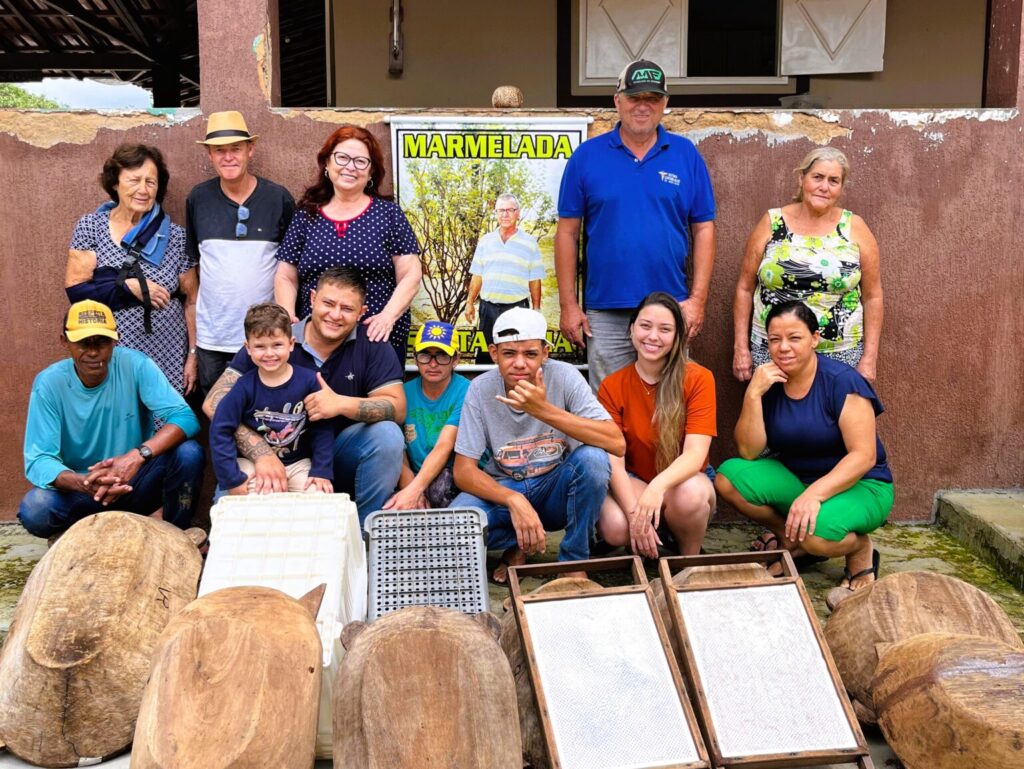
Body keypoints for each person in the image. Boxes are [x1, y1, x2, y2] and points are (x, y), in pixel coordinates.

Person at [715, 301, 893, 609]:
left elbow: (863, 456)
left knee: (817, 535)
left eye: (794, 338)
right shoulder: (769, 382)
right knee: (728, 478)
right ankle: (791, 540)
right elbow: (748, 450)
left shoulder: (842, 382)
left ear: (815, 338)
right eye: (774, 339)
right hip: (798, 480)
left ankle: (859, 548)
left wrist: (815, 495)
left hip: (862, 485)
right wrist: (753, 394)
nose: (783, 347)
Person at [555, 59, 716, 390]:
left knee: (669, 403)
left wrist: (697, 301)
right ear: (617, 100)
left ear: (665, 104)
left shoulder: (686, 155)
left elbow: (703, 229)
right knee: (609, 407)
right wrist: (569, 306)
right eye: (634, 97)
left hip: (670, 305)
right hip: (606, 310)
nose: (643, 106)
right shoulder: (586, 156)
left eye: (652, 99)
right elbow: (567, 233)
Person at [205, 267, 405, 522]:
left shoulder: (372, 344)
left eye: (347, 308)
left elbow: (397, 409)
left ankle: (365, 533)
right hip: (265, 459)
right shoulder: (274, 339)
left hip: (335, 455)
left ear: (361, 313)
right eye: (328, 303)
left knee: (387, 434)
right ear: (312, 299)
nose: (335, 315)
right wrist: (261, 453)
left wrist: (340, 404)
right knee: (232, 508)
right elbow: (214, 404)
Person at [451, 308, 624, 582]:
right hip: (506, 488)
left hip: (555, 488)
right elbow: (463, 471)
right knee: (455, 523)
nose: (520, 363)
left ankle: (573, 562)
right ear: (494, 353)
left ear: (545, 353)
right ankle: (520, 543)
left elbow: (615, 442)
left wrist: (542, 410)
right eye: (509, 354)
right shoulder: (481, 388)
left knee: (593, 459)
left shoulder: (565, 377)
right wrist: (514, 500)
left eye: (530, 354)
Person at [18, 301, 203, 539]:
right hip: (83, 490)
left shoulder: (136, 365)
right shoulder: (49, 383)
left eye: (102, 341)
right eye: (83, 342)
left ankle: (177, 535)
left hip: (135, 483)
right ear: (65, 341)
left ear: (116, 339)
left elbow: (185, 418)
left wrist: (137, 456)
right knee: (36, 509)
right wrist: (84, 482)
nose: (93, 352)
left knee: (189, 453)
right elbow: (39, 460)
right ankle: (79, 534)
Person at [732, 146, 882, 383]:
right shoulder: (772, 222)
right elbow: (744, 288)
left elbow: (873, 296)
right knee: (776, 418)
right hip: (775, 352)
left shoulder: (855, 227)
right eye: (817, 177)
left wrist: (870, 358)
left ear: (841, 187)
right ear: (802, 179)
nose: (824, 187)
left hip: (839, 353)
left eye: (834, 181)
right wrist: (741, 348)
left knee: (837, 418)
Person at [274, 125, 422, 364]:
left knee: (376, 401)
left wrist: (387, 317)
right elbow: (286, 276)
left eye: (361, 161)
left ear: (371, 171)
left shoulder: (388, 214)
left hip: (375, 339)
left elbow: (411, 275)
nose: (350, 167)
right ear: (327, 164)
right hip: (314, 342)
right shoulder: (306, 215)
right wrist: (287, 317)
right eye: (342, 157)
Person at [65, 143, 198, 394]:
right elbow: (77, 291)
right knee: (117, 421)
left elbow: (192, 301)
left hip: (167, 350)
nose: (143, 189)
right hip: (111, 348)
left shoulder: (176, 237)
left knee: (162, 421)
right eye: (134, 180)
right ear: (115, 182)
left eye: (151, 182)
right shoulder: (91, 227)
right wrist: (129, 286)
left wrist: (192, 356)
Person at [597, 292, 716, 558]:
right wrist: (634, 515)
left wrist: (657, 488)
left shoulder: (698, 378)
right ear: (631, 329)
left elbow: (696, 454)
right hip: (635, 480)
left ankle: (689, 561)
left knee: (691, 494)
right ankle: (650, 544)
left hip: (683, 482)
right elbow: (614, 459)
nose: (653, 336)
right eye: (645, 326)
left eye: (665, 329)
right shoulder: (612, 386)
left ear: (677, 337)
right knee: (616, 528)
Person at [186, 110, 295, 395]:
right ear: (209, 155)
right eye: (219, 150)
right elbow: (194, 269)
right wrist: (195, 347)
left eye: (236, 148)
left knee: (264, 413)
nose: (228, 157)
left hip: (265, 339)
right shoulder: (198, 198)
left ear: (250, 149)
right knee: (218, 414)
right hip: (214, 338)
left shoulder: (278, 198)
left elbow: (291, 267)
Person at [210, 303, 334, 495]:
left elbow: (323, 427)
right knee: (253, 496)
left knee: (319, 496)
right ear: (248, 348)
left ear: (291, 343)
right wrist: (232, 479)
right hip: (254, 463)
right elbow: (220, 429)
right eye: (260, 346)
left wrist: (322, 470)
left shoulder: (309, 380)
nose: (269, 353)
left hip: (298, 464)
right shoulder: (243, 387)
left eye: (277, 345)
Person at [384, 320, 470, 510]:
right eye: (425, 355)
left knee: (440, 492)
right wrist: (411, 489)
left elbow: (444, 445)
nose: (432, 364)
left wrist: (415, 490)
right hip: (414, 476)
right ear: (415, 358)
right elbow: (399, 449)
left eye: (442, 355)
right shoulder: (403, 393)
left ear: (456, 359)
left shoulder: (466, 391)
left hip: (451, 474)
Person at [464, 193, 545, 364]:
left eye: (510, 210)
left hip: (517, 308)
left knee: (516, 357)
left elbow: (535, 279)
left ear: (518, 213)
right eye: (501, 210)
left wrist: (536, 310)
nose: (505, 214)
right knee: (485, 357)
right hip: (488, 309)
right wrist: (470, 302)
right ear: (496, 213)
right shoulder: (486, 241)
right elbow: (477, 275)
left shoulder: (530, 243)